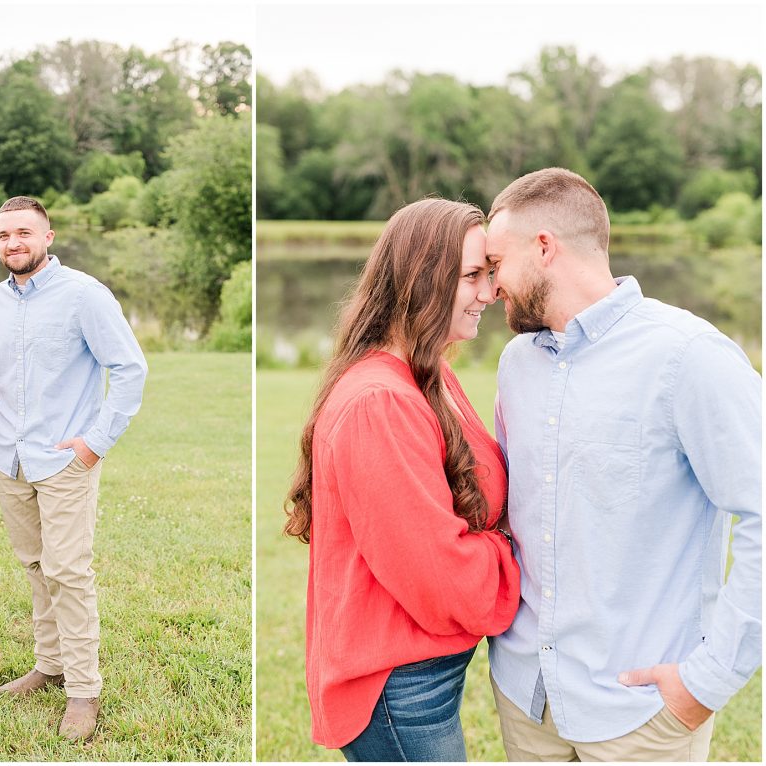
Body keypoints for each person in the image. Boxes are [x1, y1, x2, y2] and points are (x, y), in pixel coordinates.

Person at [485, 167, 762, 761]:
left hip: (642, 711)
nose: (489, 287)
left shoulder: (689, 357)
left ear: (543, 248)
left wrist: (708, 681)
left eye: (496, 263)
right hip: (526, 697)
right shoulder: (515, 365)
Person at [284, 198, 522, 762]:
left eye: (489, 274)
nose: (489, 293)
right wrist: (512, 554)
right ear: (422, 279)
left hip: (421, 675)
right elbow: (436, 572)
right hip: (397, 686)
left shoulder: (427, 373)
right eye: (471, 276)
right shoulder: (379, 403)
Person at [0, 196, 148, 742]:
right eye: (5, 235)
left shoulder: (83, 294)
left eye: (24, 233)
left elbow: (128, 368)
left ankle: (83, 690)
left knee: (69, 572)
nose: (14, 244)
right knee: (35, 566)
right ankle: (48, 664)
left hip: (63, 461)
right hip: (10, 457)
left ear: (48, 237)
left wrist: (95, 443)